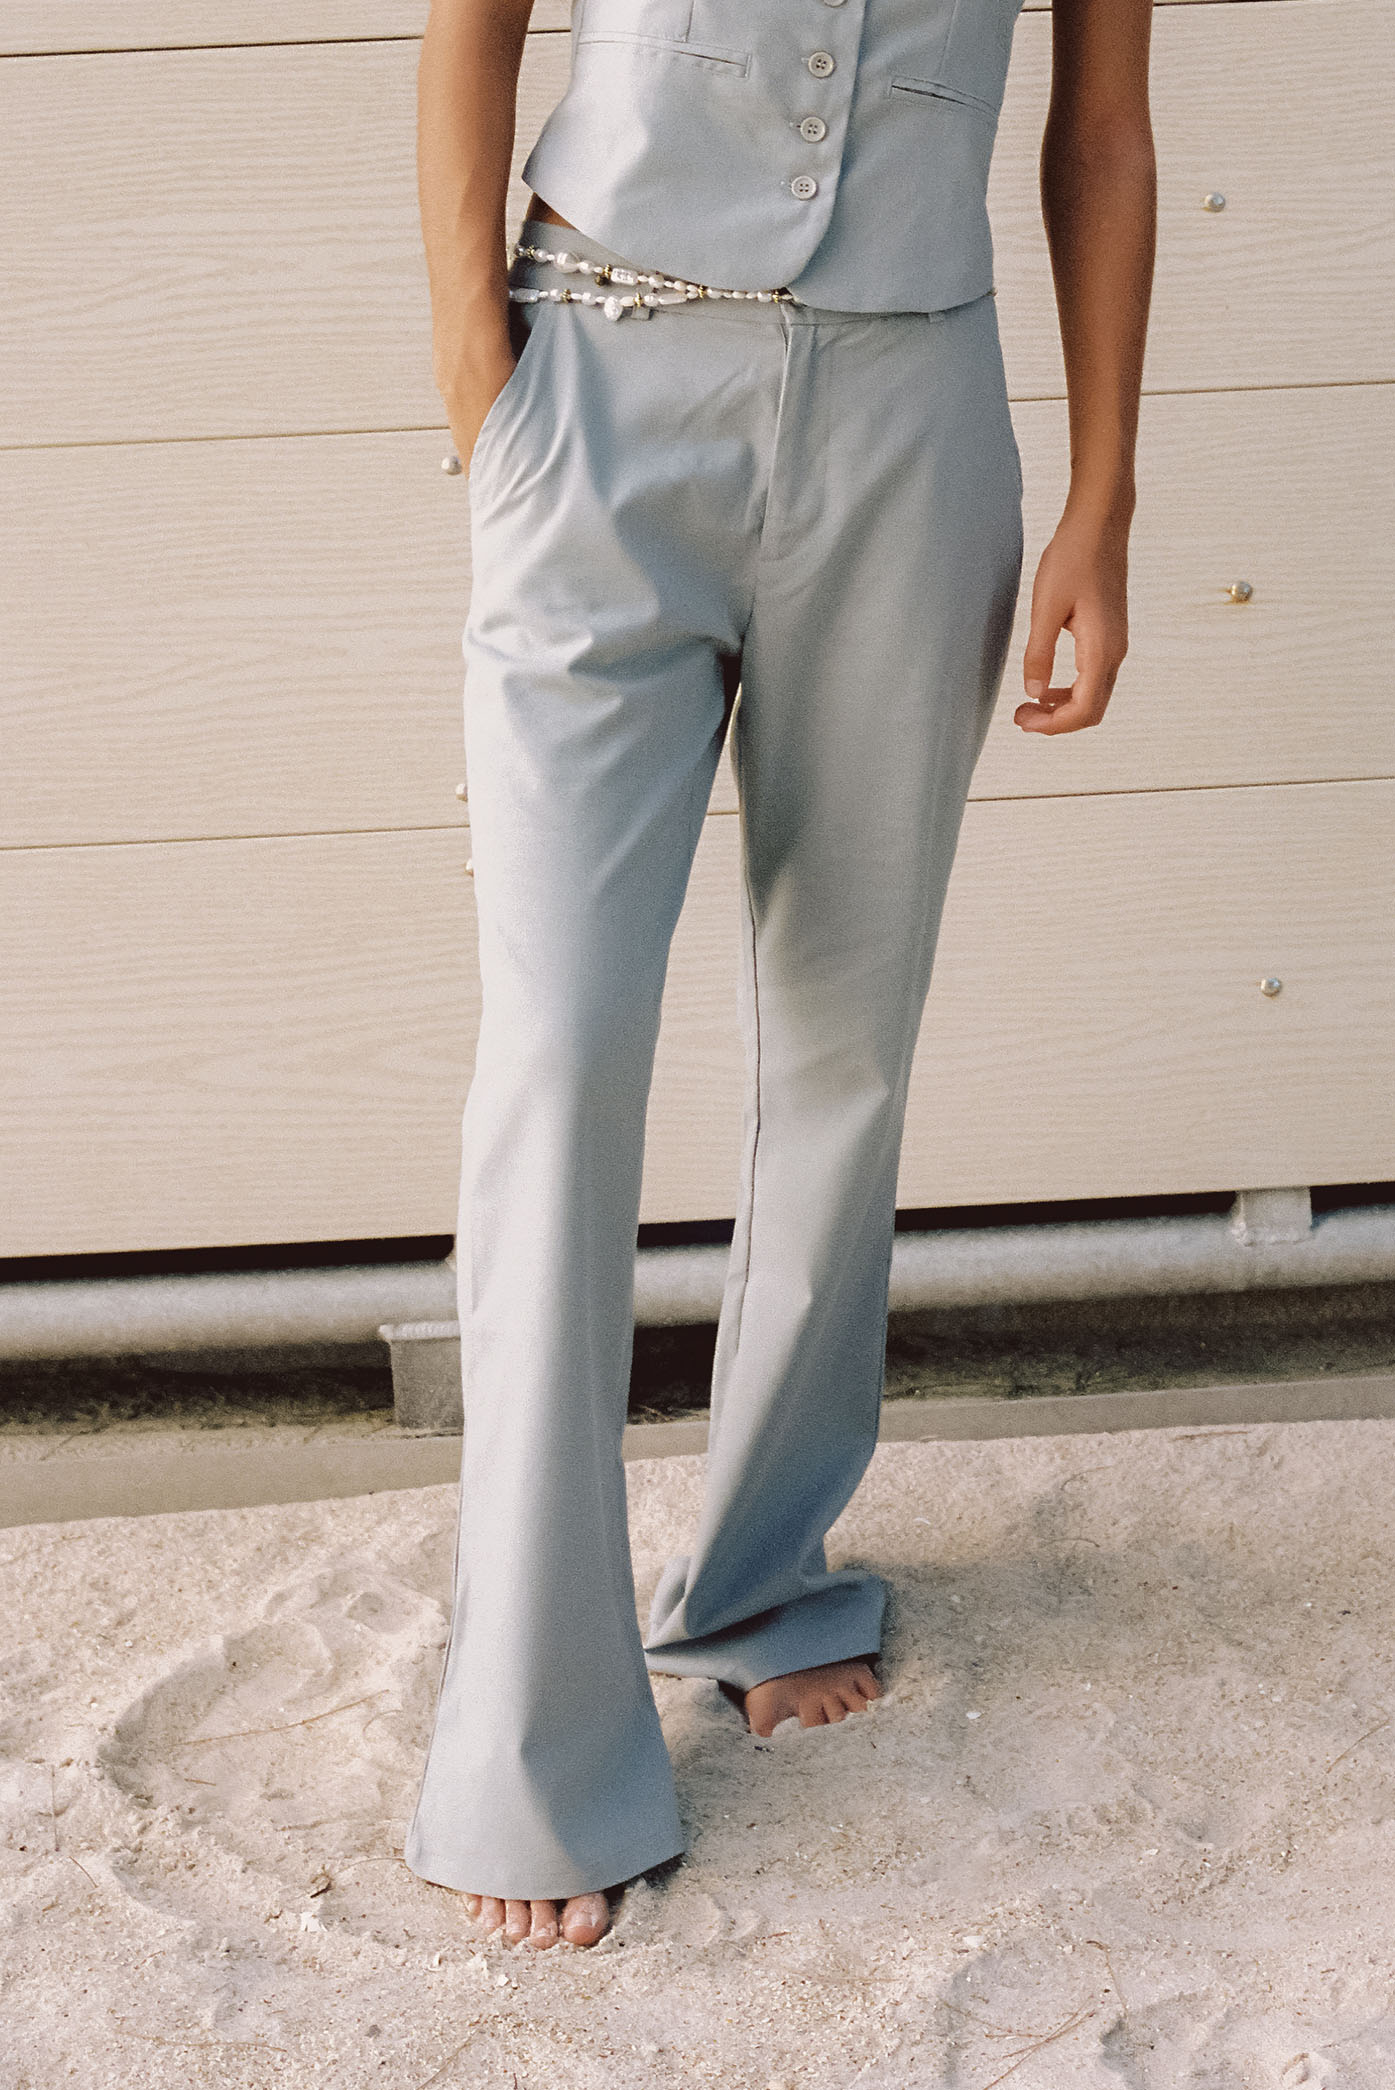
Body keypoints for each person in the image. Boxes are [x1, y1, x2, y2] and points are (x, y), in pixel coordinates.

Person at [405, 0, 1155, 1950]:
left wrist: (1099, 497)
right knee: (559, 1055)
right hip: (602, 380)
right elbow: (468, 23)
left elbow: (1097, 128)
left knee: (842, 1044)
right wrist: (478, 374)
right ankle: (529, 1743)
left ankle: (761, 1576)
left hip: (911, 415)